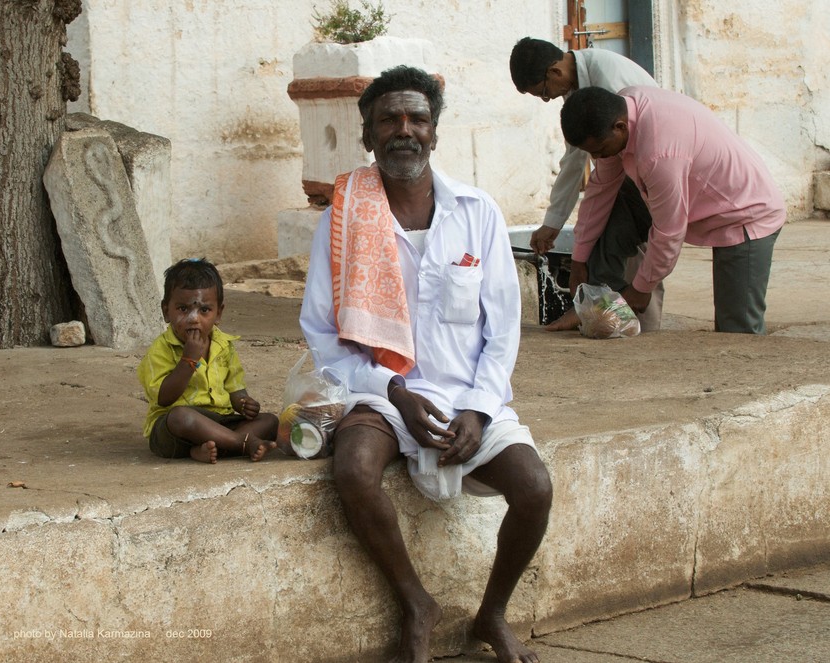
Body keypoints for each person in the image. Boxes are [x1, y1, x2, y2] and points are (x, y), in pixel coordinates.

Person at [300, 65, 552, 663]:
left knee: (535, 487)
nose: (403, 130)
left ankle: (492, 613)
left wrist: (480, 408)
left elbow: (503, 331)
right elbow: (322, 336)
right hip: (379, 394)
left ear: (435, 132)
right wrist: (394, 390)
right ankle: (416, 604)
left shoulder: (478, 212)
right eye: (389, 119)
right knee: (355, 469)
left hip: (467, 396)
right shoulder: (342, 219)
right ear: (368, 133)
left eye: (417, 119)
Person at [560, 86, 786, 334]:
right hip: (701, 195)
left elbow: (669, 232)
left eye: (599, 149)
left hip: (745, 214)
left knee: (738, 329)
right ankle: (600, 306)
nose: (596, 156)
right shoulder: (624, 106)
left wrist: (640, 290)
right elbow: (600, 189)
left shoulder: (658, 153)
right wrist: (579, 259)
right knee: (618, 201)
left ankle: (614, 309)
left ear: (620, 128)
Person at [509, 37, 665, 331]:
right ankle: (608, 321)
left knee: (641, 259)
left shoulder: (608, 76)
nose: (548, 98)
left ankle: (645, 330)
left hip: (645, 176)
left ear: (554, 72)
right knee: (600, 248)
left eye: (543, 93)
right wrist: (553, 222)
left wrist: (573, 226)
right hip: (618, 179)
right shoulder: (574, 91)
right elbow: (574, 158)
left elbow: (610, 157)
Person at [137, 258, 279, 463]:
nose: (194, 318)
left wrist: (244, 403)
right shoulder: (161, 350)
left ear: (218, 313)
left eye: (204, 310)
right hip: (175, 431)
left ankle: (205, 449)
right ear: (166, 311)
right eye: (183, 309)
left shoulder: (223, 344)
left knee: (270, 421)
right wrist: (189, 360)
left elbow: (235, 388)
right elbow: (164, 398)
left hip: (220, 421)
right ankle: (242, 443)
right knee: (181, 417)